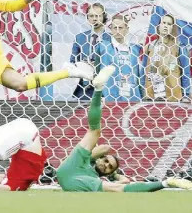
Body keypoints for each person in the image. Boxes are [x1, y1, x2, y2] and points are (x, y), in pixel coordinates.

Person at [57, 65, 192, 192]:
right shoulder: (87, 159)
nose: (106, 165)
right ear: (100, 158)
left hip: (76, 179)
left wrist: (114, 175)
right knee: (94, 132)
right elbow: (105, 148)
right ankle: (98, 90)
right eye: (106, 161)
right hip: (71, 168)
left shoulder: (94, 179)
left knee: (114, 187)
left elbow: (125, 181)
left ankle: (98, 88)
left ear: (108, 174)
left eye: (109, 167)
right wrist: (99, 161)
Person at [143, 14, 191, 102]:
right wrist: (143, 93)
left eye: (169, 24)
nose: (165, 26)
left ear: (173, 28)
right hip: (152, 97)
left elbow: (185, 72)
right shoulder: (149, 47)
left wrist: (186, 95)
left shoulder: (179, 47)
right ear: (158, 26)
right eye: (163, 23)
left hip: (173, 98)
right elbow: (143, 71)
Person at [70, 3, 111, 100]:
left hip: (105, 87)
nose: (94, 19)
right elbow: (72, 61)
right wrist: (82, 65)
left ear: (104, 17)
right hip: (85, 87)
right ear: (87, 18)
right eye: (91, 16)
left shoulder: (111, 38)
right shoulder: (80, 37)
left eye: (98, 16)